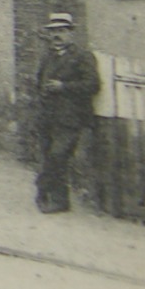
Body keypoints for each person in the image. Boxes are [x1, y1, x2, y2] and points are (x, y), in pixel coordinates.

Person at [32, 12, 101, 214]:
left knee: (58, 155)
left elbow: (93, 85)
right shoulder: (48, 57)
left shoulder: (82, 56)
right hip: (48, 115)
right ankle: (57, 199)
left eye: (62, 31)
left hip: (71, 117)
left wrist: (63, 86)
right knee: (47, 155)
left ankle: (45, 190)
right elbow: (39, 82)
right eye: (53, 31)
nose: (57, 36)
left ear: (71, 33)